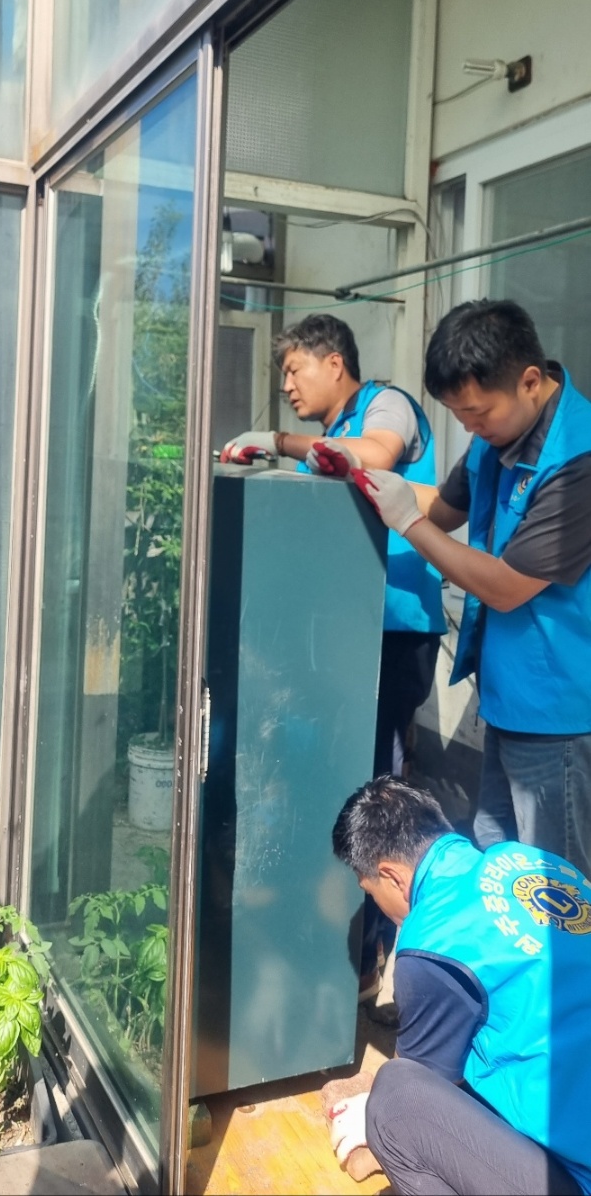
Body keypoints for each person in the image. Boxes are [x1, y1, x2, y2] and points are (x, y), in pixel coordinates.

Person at [221, 313, 446, 996]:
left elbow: (375, 454)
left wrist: (276, 442)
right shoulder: (328, 436)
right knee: (334, 779)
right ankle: (334, 942)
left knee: (377, 788)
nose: (287, 384)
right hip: (341, 633)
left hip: (391, 630)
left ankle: (378, 957)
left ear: (334, 364)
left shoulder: (385, 404)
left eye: (294, 369)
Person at [349, 299, 591, 878]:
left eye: (476, 413)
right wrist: (365, 478)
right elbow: (446, 509)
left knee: (557, 884)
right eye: (457, 414)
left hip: (559, 713)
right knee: (500, 859)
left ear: (529, 381)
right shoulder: (499, 433)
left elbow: (506, 588)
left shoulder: (576, 462)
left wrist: (408, 522)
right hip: (508, 699)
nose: (467, 427)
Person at [330, 775, 591, 1196]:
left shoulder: (433, 942)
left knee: (395, 1101)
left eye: (370, 890)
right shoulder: (533, 862)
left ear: (391, 877)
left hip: (577, 1174)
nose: (375, 902)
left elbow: (423, 1086)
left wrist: (369, 1117)